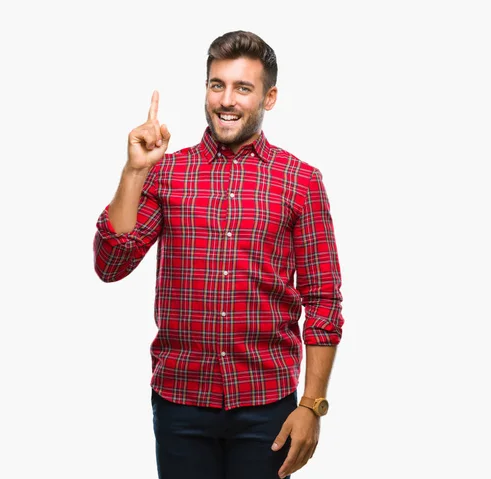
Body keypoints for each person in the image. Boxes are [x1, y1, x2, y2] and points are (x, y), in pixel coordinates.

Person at [93, 30, 345, 479]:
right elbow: (111, 264)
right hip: (180, 403)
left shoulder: (301, 181)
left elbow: (323, 299)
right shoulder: (165, 172)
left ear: (268, 98)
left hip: (267, 405)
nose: (226, 100)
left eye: (242, 88)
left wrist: (312, 405)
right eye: (217, 85)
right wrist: (134, 171)